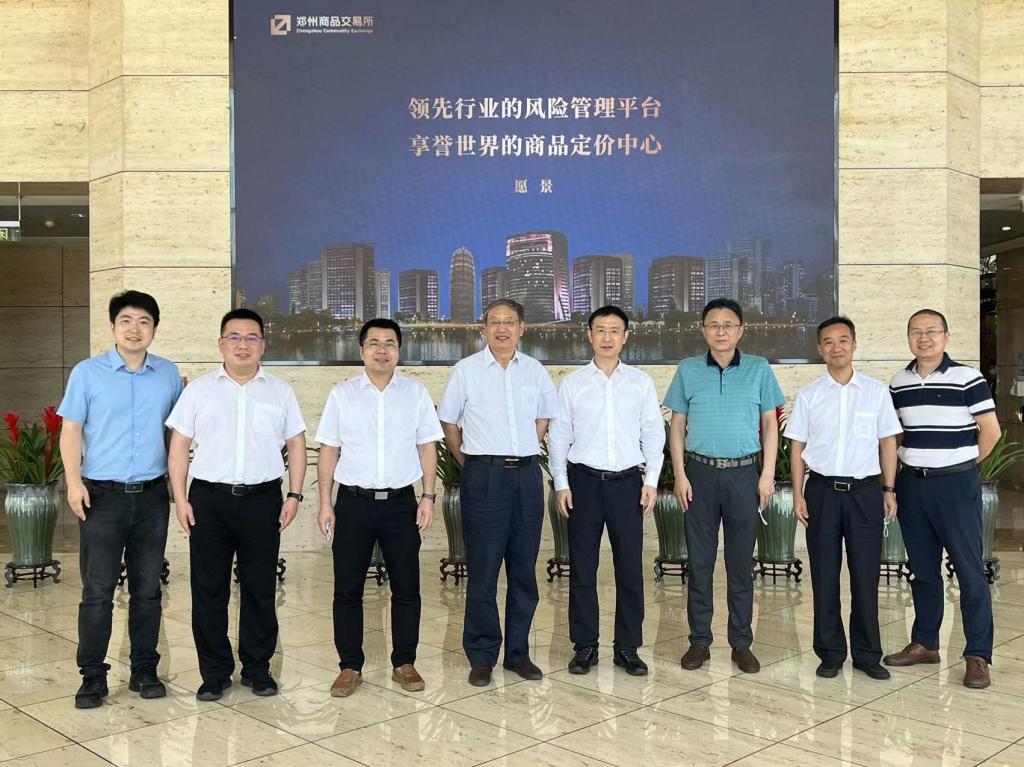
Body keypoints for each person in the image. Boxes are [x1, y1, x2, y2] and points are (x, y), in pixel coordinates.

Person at [166, 308, 307, 701]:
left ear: (263, 345)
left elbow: (296, 443)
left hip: (262, 500)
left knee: (260, 587)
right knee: (208, 589)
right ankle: (214, 673)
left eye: (251, 338)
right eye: (234, 337)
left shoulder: (279, 391)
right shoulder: (199, 390)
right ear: (221, 344)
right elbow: (178, 446)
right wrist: (180, 499)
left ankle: (258, 669)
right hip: (208, 500)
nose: (242, 345)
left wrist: (295, 494)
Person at [58, 290, 184, 709]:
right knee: (98, 591)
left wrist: (177, 484)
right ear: (113, 327)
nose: (135, 329)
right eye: (126, 320)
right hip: (102, 497)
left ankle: (144, 670)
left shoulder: (168, 374)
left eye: (144, 321)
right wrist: (73, 483)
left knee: (147, 590)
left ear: (154, 329)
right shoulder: (87, 373)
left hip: (151, 498)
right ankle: (92, 676)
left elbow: (177, 435)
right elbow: (71, 431)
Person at [315, 319, 443, 697]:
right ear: (362, 350)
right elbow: (329, 450)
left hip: (401, 504)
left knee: (407, 587)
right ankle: (349, 666)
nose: (382, 350)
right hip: (353, 504)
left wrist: (428, 497)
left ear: (399, 351)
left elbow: (427, 447)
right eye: (374, 343)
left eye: (390, 343)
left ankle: (404, 662)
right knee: (347, 589)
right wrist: (325, 503)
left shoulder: (415, 393)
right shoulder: (342, 395)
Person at [438, 299, 558, 686]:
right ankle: (482, 655)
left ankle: (518, 654)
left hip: (525, 477)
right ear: (484, 328)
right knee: (484, 570)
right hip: (484, 477)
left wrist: (522, 448)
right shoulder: (466, 370)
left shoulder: (535, 370)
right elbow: (449, 422)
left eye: (509, 322)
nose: (502, 328)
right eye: (494, 322)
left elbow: (544, 417)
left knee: (523, 571)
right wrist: (472, 461)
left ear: (522, 328)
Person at [664, 298, 785, 673]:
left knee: (740, 564)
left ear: (741, 330)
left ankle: (741, 642)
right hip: (698, 474)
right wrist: (680, 474)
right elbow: (677, 425)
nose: (721, 331)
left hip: (744, 475)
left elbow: (770, 423)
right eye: (713, 324)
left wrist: (767, 474)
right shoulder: (687, 370)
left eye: (728, 324)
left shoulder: (758, 368)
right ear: (703, 330)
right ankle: (699, 642)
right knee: (700, 563)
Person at [884, 309, 1000, 689]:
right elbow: (894, 436)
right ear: (908, 339)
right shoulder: (898, 383)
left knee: (969, 570)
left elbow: (991, 431)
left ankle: (978, 654)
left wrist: (961, 465)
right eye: (916, 332)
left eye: (932, 331)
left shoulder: (968, 378)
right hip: (912, 485)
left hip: (955, 485)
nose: (924, 338)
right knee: (923, 570)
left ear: (946, 337)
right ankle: (925, 643)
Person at [548, 305, 664, 676]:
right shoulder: (573, 383)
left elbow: (653, 433)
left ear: (626, 336)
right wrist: (562, 484)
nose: (607, 337)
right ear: (589, 335)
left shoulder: (640, 383)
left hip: (627, 485)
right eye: (600, 330)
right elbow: (559, 435)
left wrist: (651, 480)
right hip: (583, 484)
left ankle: (627, 648)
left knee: (629, 568)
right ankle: (585, 647)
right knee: (583, 568)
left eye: (615, 330)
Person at [785, 316, 901, 680]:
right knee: (824, 575)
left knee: (865, 575)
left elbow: (888, 442)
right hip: (821, 492)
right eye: (829, 342)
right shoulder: (809, 395)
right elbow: (797, 447)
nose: (837, 347)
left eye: (843, 340)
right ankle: (830, 652)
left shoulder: (876, 392)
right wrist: (798, 493)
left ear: (854, 345)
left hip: (865, 493)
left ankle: (867, 654)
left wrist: (889, 488)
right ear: (820, 349)